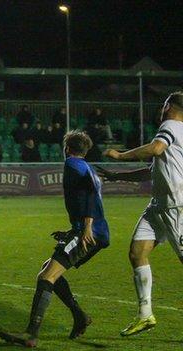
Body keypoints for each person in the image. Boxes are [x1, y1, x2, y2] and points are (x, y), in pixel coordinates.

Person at [0, 130, 109, 347]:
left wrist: (85, 226)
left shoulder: (72, 164)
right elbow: (92, 189)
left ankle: (31, 334)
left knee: (46, 277)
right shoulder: (87, 166)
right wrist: (74, 229)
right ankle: (79, 316)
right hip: (88, 230)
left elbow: (90, 190)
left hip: (90, 232)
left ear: (67, 149)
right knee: (48, 270)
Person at [100, 92, 183, 337]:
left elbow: (155, 148)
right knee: (137, 253)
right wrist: (118, 176)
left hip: (175, 207)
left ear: (168, 106)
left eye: (162, 105)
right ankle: (145, 315)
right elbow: (150, 170)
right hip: (158, 207)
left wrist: (120, 155)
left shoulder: (170, 125)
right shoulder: (179, 132)